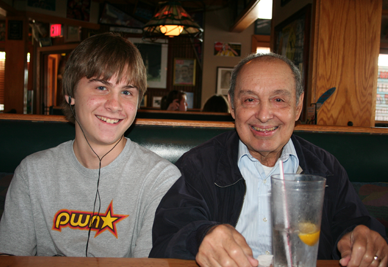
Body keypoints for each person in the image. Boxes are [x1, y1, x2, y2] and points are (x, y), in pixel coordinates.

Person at [149, 53, 388, 266]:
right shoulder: (197, 165)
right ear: (232, 106)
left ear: (298, 106)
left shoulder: (326, 168)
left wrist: (360, 237)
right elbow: (168, 237)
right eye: (250, 100)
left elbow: (356, 225)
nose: (264, 115)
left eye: (279, 100)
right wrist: (200, 237)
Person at [0, 33, 180, 257]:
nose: (114, 105)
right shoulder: (33, 173)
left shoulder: (161, 179)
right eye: (101, 87)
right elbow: (8, 260)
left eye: (127, 92)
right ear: (70, 94)